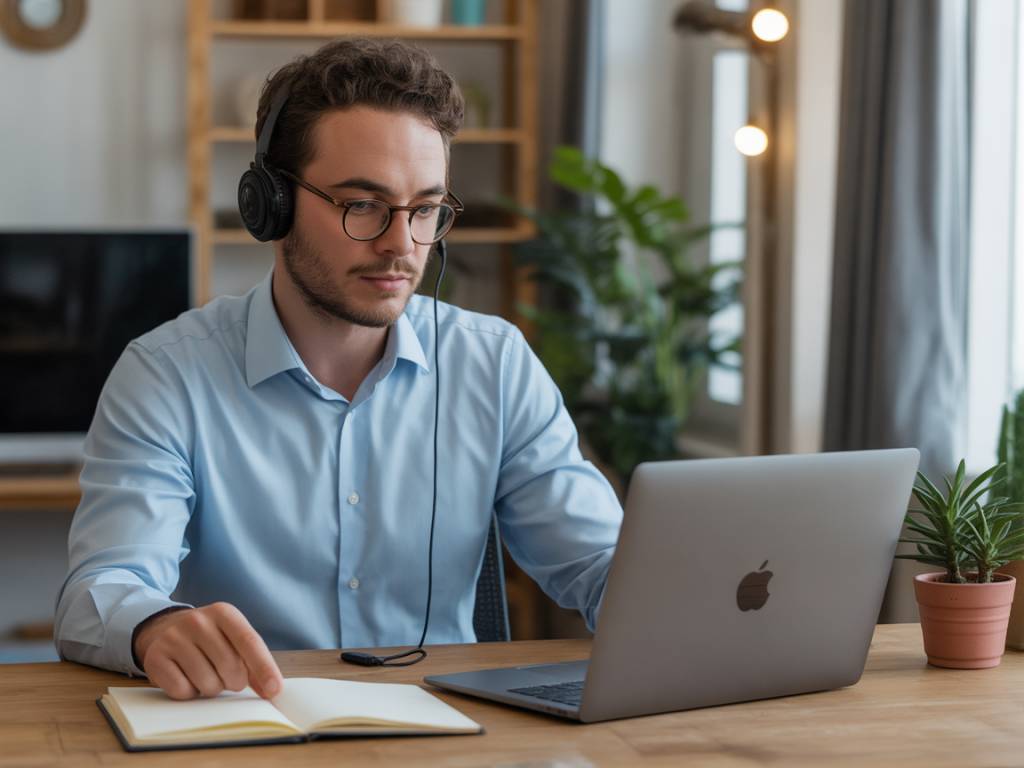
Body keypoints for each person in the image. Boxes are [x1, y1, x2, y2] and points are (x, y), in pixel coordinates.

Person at [54, 37, 622, 701]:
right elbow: (99, 590)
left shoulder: (492, 364)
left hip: (449, 738)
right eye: (363, 205)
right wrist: (154, 625)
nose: (401, 245)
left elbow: (603, 567)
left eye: (426, 210)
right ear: (272, 203)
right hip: (251, 731)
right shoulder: (166, 375)